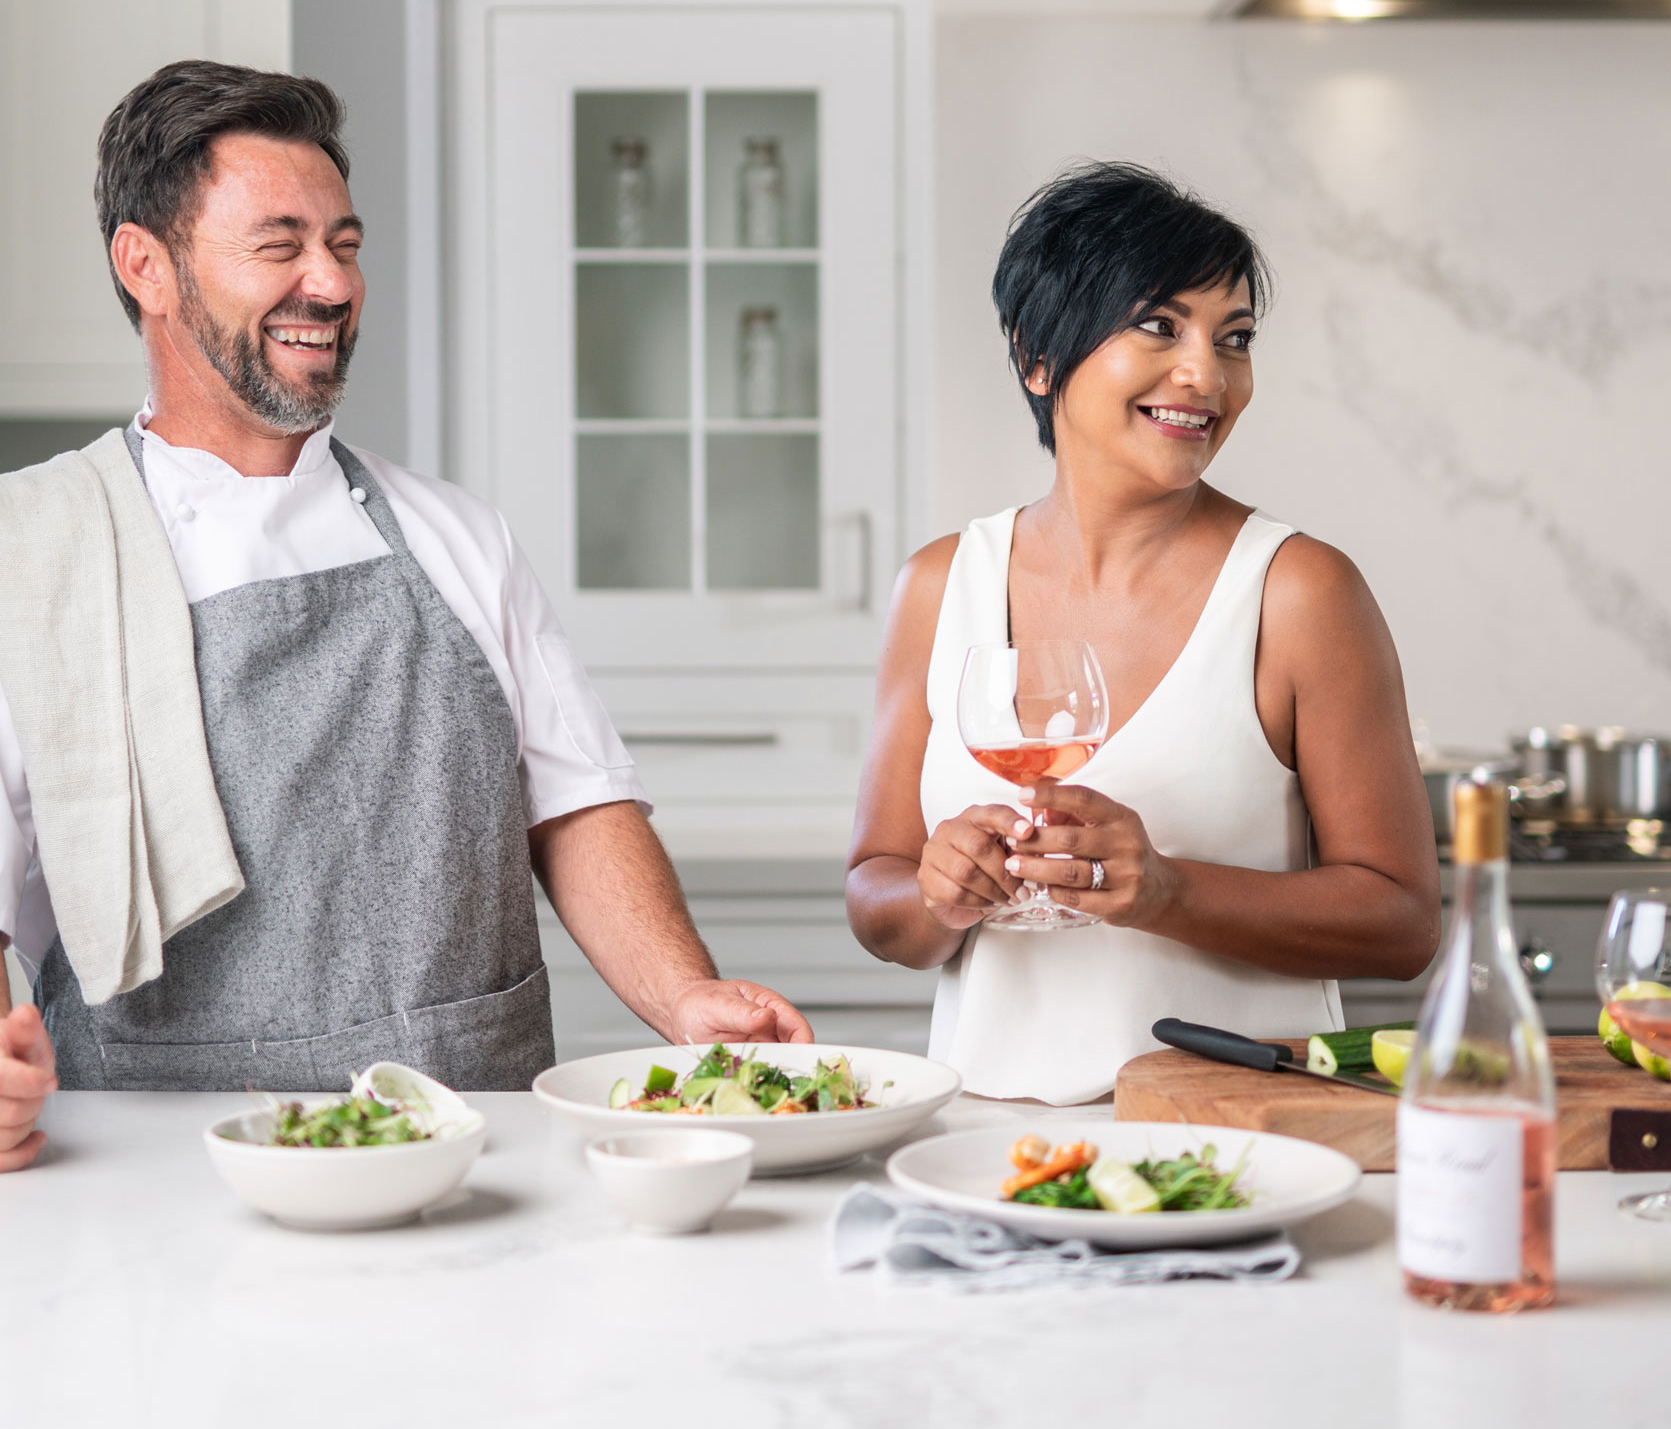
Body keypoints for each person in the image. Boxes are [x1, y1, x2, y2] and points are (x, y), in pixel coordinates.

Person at [0, 60, 811, 1169]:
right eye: (280, 245)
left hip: (470, 1151)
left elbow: (576, 807)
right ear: (146, 265)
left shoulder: (458, 537)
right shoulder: (34, 553)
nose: (330, 286)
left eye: (344, 244)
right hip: (156, 1167)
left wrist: (685, 996)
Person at [847, 163, 1439, 1105]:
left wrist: (1169, 891)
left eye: (1234, 338)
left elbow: (1405, 926)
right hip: (989, 1149)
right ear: (1038, 355)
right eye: (1159, 326)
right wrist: (937, 893)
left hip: (1250, 1148)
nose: (1207, 375)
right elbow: (876, 898)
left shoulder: (1298, 592)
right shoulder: (937, 586)